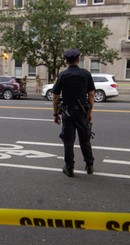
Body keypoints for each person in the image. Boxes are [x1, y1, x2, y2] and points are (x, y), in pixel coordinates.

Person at [52, 49, 95, 177]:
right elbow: (91, 95)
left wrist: (55, 114)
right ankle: (89, 165)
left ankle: (69, 168)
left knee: (68, 141)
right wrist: (90, 112)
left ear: (66, 61)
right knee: (85, 140)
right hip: (82, 113)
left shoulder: (63, 75)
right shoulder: (86, 74)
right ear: (78, 60)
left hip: (67, 113)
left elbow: (55, 96)